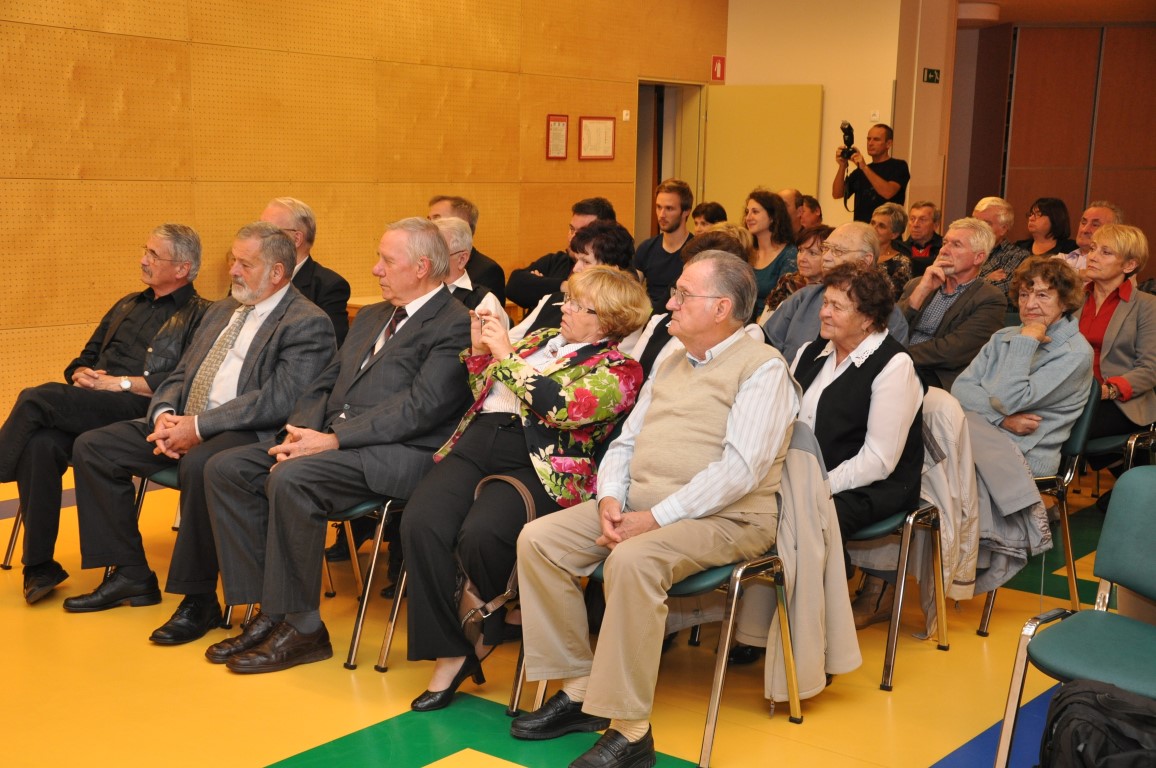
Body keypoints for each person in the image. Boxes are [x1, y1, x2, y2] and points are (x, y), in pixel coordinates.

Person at [509, 251, 798, 768]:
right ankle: (579, 688)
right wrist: (611, 498)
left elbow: (740, 472)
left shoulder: (764, 369)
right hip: (643, 504)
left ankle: (631, 730)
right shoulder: (671, 358)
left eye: (684, 294)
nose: (671, 303)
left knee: (633, 560)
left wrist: (653, 518)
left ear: (721, 308)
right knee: (540, 541)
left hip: (729, 518)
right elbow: (626, 441)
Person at [201, 217, 474, 673]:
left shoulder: (455, 324)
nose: (376, 270)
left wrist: (332, 440)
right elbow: (323, 383)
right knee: (227, 469)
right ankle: (268, 610)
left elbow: (419, 410)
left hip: (401, 455)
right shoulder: (370, 316)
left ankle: (304, 628)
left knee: (293, 479)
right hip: (332, 443)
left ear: (422, 267)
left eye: (387, 261)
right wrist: (300, 433)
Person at [63, 223, 337, 647]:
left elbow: (277, 400)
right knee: (94, 447)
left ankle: (198, 599)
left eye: (245, 264)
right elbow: (180, 373)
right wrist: (165, 415)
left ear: (277, 272)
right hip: (186, 420)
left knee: (200, 463)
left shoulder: (307, 321)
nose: (233, 271)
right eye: (233, 260)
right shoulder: (222, 310)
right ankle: (130, 573)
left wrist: (198, 426)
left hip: (247, 431)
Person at [403, 266, 650, 711]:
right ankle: (452, 648)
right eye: (568, 299)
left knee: (482, 535)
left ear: (608, 322)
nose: (564, 308)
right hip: (480, 439)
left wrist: (504, 355)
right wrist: (481, 353)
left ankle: (487, 626)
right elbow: (484, 390)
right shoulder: (540, 340)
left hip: (538, 461)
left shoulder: (620, 369)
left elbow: (562, 408)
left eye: (578, 305)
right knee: (421, 522)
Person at [0, 225, 210, 604]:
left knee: (35, 399)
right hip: (97, 404)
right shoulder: (127, 304)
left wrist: (121, 384)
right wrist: (82, 373)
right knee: (40, 443)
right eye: (145, 250)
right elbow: (84, 357)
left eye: (154, 255)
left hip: (144, 409)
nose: (143, 260)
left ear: (182, 268)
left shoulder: (201, 315)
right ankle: (39, 566)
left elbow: (188, 381)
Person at [796, 263, 923, 628]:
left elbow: (878, 460)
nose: (824, 312)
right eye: (825, 302)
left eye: (836, 306)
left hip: (874, 485)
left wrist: (817, 486)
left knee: (813, 517)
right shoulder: (811, 352)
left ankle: (817, 629)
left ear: (867, 319)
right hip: (811, 474)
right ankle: (764, 627)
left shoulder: (894, 365)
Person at [951, 257, 1093, 477]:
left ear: (1065, 302)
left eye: (1042, 295)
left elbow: (1008, 400)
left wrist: (1025, 343)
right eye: (1024, 295)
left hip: (1024, 455)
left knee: (934, 463)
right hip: (982, 437)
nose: (1029, 304)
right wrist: (1002, 419)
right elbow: (960, 389)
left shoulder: (1075, 352)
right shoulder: (1002, 337)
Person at [763, 222, 908, 364]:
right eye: (825, 248)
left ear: (865, 261)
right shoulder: (803, 298)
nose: (826, 257)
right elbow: (766, 348)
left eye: (838, 251)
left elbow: (890, 368)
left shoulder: (888, 315)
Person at [900, 218, 1008, 391]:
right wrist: (921, 292)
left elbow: (952, 351)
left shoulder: (990, 298)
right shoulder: (917, 284)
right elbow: (887, 328)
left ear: (978, 257)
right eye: (944, 243)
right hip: (899, 366)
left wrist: (896, 355)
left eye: (956, 245)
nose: (943, 250)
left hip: (937, 377)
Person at [1079, 224, 1156, 443]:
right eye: (1092, 249)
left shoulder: (1147, 306)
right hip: (1072, 395)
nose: (1093, 257)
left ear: (1130, 265)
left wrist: (1108, 390)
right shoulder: (1074, 300)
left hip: (1120, 402)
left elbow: (1150, 369)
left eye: (1105, 252)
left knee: (1056, 424)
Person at [510, 220, 637, 342]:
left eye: (586, 262)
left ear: (612, 271)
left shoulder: (622, 319)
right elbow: (512, 340)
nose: (576, 269)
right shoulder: (552, 299)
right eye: (577, 260)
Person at [259, 197, 351, 346]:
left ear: (296, 239)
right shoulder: (251, 275)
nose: (258, 238)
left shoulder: (329, 286)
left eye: (268, 231)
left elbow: (329, 344)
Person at [505, 197, 616, 311]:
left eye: (583, 232)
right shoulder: (556, 260)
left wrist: (541, 286)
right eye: (572, 229)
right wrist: (565, 286)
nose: (573, 237)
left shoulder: (613, 277)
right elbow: (513, 286)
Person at [428, 194, 506, 304]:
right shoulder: (426, 264)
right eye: (429, 219)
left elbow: (488, 313)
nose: (429, 225)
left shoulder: (488, 270)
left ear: (462, 224)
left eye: (437, 219)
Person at [634, 179, 693, 314]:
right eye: (658, 207)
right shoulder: (646, 248)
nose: (661, 215)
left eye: (669, 208)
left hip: (680, 316)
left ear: (686, 211)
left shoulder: (696, 251)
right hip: (650, 318)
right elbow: (631, 291)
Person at [831, 123, 910, 223]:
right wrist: (842, 166)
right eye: (868, 139)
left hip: (888, 228)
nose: (870, 143)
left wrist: (864, 167)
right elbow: (837, 194)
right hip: (862, 228)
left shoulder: (899, 166)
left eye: (876, 139)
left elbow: (888, 193)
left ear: (888, 144)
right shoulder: (860, 171)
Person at [743, 188, 798, 319]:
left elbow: (783, 303)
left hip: (770, 323)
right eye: (747, 212)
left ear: (772, 217)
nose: (748, 218)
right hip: (742, 321)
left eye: (755, 212)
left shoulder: (789, 255)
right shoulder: (746, 252)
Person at [764, 224, 833, 313]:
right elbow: (767, 317)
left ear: (829, 257)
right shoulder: (788, 283)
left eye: (812, 253)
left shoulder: (830, 292)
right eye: (800, 250)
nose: (802, 258)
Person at [974, 196, 1033, 299]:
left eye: (986, 223)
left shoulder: (1018, 256)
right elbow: (947, 284)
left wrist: (971, 282)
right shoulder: (960, 250)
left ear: (1003, 229)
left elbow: (999, 291)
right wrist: (985, 280)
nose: (977, 228)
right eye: (974, 222)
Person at [1055, 201, 1124, 274]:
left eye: (1095, 225)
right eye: (1083, 223)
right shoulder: (1060, 258)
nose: (1084, 230)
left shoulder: (1113, 266)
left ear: (1113, 232)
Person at [870, 202, 913, 299]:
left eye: (881, 226)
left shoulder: (902, 263)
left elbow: (893, 298)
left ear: (894, 235)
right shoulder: (858, 252)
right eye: (872, 223)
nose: (873, 228)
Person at [904, 201, 943, 277]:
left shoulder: (945, 248)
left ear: (936, 225)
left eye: (922, 219)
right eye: (912, 219)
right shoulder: (899, 249)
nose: (915, 224)